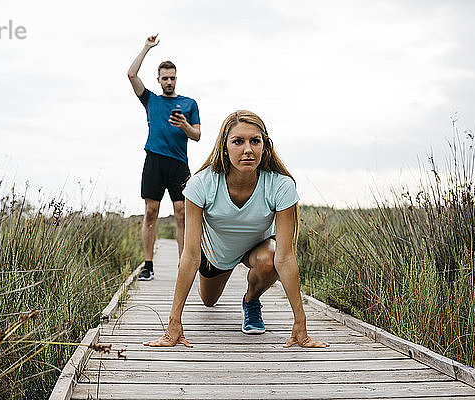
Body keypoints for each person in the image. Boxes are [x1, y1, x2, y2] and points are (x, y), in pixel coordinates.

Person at [144, 110, 329, 348]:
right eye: (238, 141)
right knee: (209, 301)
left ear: (266, 146)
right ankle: (214, 286)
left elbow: (285, 257)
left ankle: (251, 301)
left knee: (270, 259)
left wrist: (300, 324)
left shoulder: (281, 185)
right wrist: (173, 323)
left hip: (257, 249)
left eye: (255, 141)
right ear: (224, 147)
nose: (248, 149)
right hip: (216, 256)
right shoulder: (202, 184)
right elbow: (190, 256)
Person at [127, 34, 201, 281]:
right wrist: (146, 47)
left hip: (179, 163)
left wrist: (185, 127)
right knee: (151, 212)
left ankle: (184, 264)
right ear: (158, 80)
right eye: (164, 78)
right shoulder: (151, 100)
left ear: (176, 79)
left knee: (182, 213)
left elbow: (197, 135)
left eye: (172, 77)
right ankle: (148, 264)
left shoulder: (189, 104)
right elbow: (131, 74)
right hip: (154, 161)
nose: (169, 81)